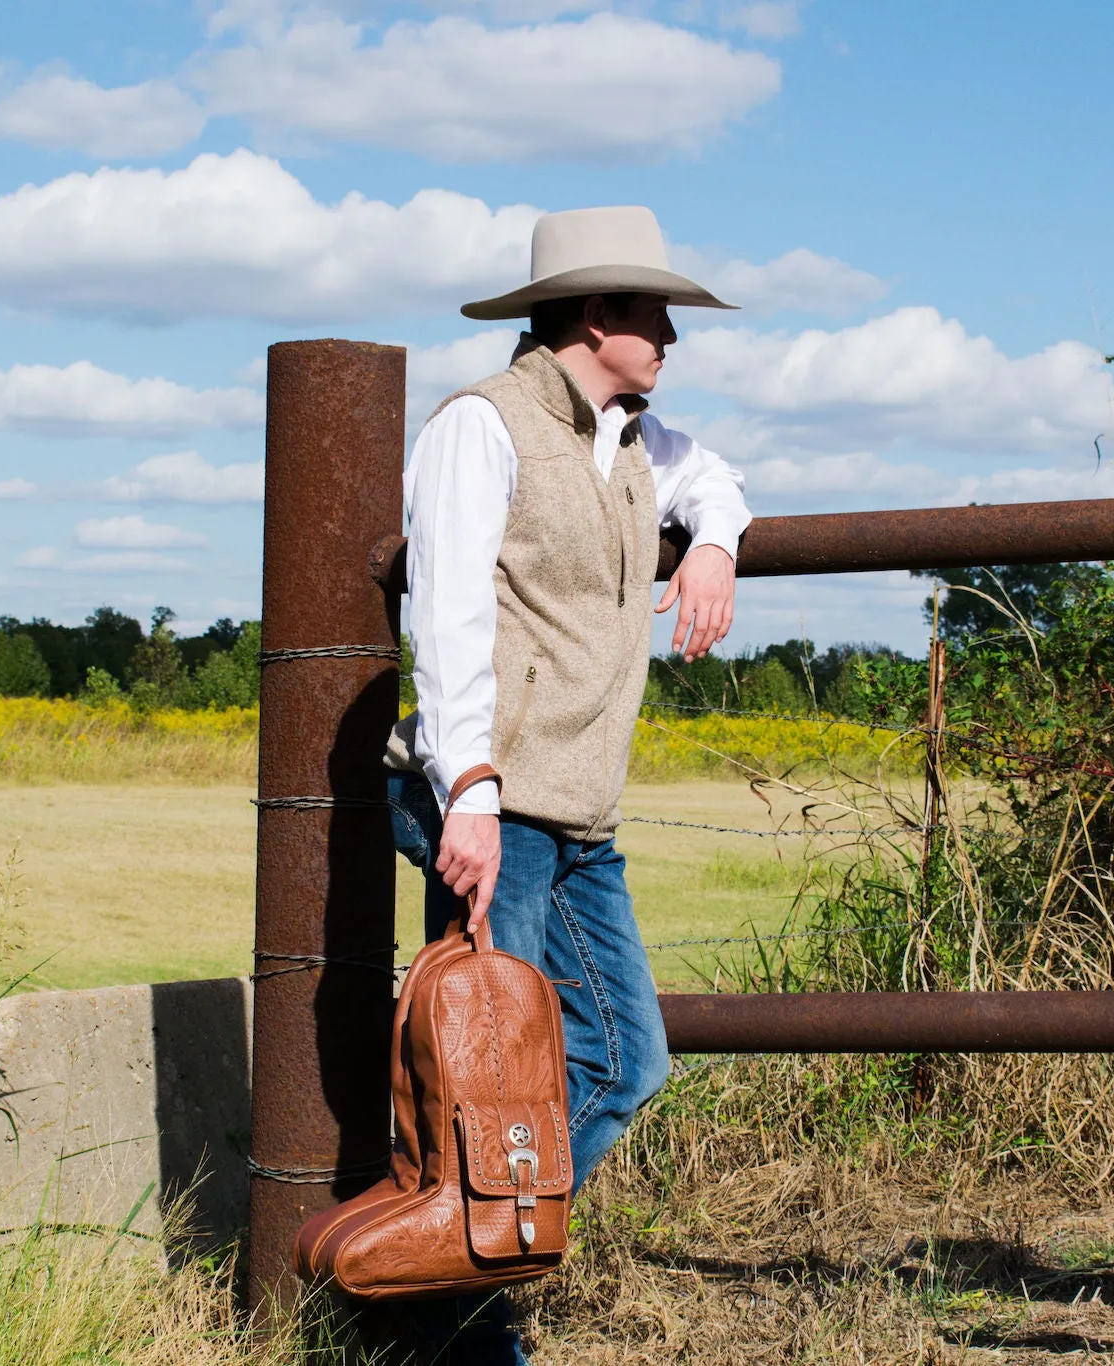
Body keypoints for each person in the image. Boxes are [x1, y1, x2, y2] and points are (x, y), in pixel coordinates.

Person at [382, 205, 752, 1364]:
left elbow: (720, 482)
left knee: (623, 1062)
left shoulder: (635, 441)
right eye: (656, 317)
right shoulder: (478, 430)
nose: (671, 340)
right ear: (595, 318)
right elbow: (442, 619)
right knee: (492, 1084)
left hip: (577, 812)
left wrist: (713, 544)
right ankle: (448, 1311)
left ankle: (437, 1251)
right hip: (495, 803)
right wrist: (473, 790)